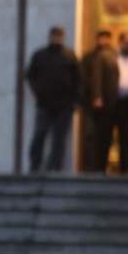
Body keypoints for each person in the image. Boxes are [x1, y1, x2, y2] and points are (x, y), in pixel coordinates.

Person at [25, 26, 81, 173]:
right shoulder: (40, 55)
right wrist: (38, 92)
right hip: (44, 104)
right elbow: (30, 75)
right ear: (50, 37)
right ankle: (35, 165)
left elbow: (78, 79)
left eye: (59, 36)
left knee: (59, 140)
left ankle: (55, 168)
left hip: (64, 106)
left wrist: (74, 101)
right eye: (54, 36)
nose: (57, 39)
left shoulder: (70, 56)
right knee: (39, 135)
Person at [100, 31, 128, 173]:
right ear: (121, 42)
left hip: (127, 104)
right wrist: (98, 97)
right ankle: (101, 168)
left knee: (126, 138)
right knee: (105, 137)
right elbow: (99, 79)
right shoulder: (108, 57)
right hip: (112, 103)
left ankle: (126, 170)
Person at [80, 29, 118, 173]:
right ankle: (90, 166)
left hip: (109, 105)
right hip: (90, 104)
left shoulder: (114, 56)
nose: (104, 42)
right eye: (102, 38)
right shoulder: (89, 57)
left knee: (105, 137)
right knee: (90, 136)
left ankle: (102, 165)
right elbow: (84, 79)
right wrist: (93, 97)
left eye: (106, 39)